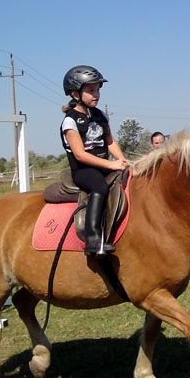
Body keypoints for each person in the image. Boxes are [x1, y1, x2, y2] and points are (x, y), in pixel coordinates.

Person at [60, 65, 130, 257]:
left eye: (97, 89)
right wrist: (111, 165)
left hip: (104, 165)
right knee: (99, 187)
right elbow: (80, 154)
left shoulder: (100, 116)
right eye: (90, 90)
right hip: (83, 170)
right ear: (75, 94)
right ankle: (92, 239)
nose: (96, 94)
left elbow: (110, 141)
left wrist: (122, 160)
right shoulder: (70, 121)